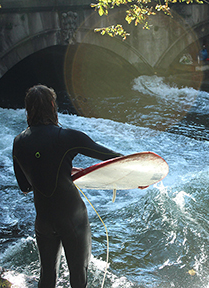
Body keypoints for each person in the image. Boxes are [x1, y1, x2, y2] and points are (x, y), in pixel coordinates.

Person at [12, 85, 123, 288]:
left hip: (44, 220)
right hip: (73, 219)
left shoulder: (19, 141)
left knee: (46, 277)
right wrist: (139, 177)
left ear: (28, 109)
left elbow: (25, 186)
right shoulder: (68, 137)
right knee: (78, 278)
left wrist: (62, 171)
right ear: (53, 105)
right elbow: (112, 157)